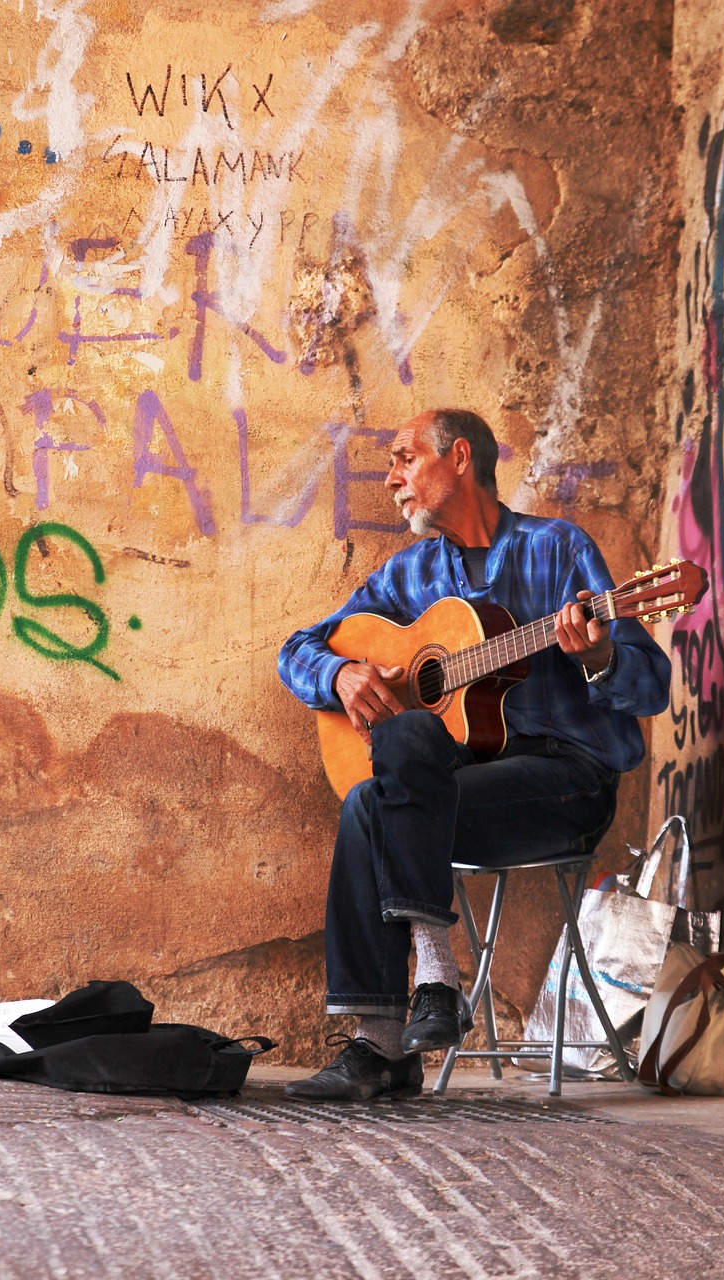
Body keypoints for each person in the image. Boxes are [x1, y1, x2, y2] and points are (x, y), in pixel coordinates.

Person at [278, 408, 671, 1100]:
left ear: (459, 457)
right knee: (381, 777)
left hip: (563, 785)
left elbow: (651, 686)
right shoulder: (411, 576)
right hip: (453, 791)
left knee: (378, 803)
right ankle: (401, 1022)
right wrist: (338, 676)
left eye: (404, 459)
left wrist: (601, 651)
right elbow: (299, 650)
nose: (391, 478)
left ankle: (396, 1024)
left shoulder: (557, 549)